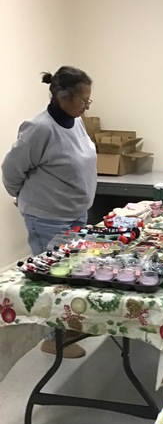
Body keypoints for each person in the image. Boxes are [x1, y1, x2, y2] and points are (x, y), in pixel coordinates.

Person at [2, 66, 97, 359]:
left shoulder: (74, 121)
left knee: (72, 273)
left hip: (75, 212)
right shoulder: (39, 128)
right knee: (52, 279)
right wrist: (21, 196)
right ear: (62, 96)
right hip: (47, 216)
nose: (87, 106)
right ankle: (51, 338)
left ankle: (67, 326)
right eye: (84, 100)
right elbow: (11, 169)